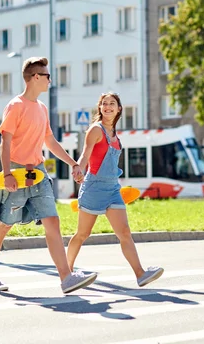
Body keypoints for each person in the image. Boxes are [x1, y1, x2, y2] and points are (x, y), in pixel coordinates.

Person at [0, 56, 97, 294]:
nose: (50, 80)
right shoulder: (16, 106)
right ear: (35, 78)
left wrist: (73, 163)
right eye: (46, 76)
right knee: (4, 225)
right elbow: (5, 141)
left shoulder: (42, 108)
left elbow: (50, 141)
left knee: (52, 221)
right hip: (17, 172)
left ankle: (66, 278)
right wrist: (8, 173)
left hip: (38, 173)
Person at [66, 92, 164, 287]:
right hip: (94, 187)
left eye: (112, 104)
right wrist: (79, 168)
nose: (108, 107)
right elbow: (85, 154)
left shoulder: (115, 135)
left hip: (112, 188)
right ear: (100, 108)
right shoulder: (96, 130)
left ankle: (140, 274)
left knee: (125, 233)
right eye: (104, 104)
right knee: (82, 234)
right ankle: (66, 273)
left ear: (119, 109)